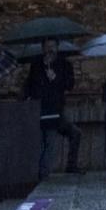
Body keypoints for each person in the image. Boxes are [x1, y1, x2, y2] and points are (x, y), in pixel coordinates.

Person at [26, 38, 81, 177]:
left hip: (56, 109)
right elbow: (30, 86)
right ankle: (42, 173)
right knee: (45, 141)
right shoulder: (36, 65)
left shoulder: (64, 64)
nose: (50, 49)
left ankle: (70, 165)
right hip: (40, 109)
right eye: (47, 46)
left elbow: (69, 84)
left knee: (73, 133)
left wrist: (55, 78)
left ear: (57, 47)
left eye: (53, 46)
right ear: (43, 48)